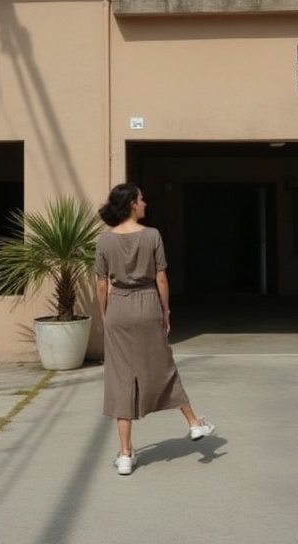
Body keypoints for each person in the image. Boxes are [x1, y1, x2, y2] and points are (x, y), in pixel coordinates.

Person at [95, 182, 215, 476]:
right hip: (148, 304)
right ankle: (193, 423)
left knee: (121, 378)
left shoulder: (104, 241)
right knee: (163, 366)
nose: (145, 203)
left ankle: (125, 454)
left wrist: (105, 314)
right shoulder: (152, 235)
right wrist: (165, 310)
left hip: (119, 307)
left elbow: (101, 283)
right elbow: (161, 277)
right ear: (132, 204)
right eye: (141, 199)